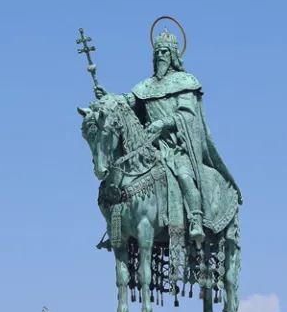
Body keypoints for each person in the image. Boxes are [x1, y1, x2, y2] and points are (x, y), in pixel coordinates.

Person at [94, 29, 242, 243]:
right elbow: (127, 103)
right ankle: (118, 227)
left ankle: (195, 219)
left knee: (183, 174)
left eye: (165, 51)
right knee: (122, 177)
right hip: (149, 147)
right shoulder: (145, 86)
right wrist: (109, 97)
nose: (160, 55)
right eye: (157, 52)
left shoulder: (185, 82)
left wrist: (163, 122)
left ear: (173, 55)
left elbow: (187, 114)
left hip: (176, 146)